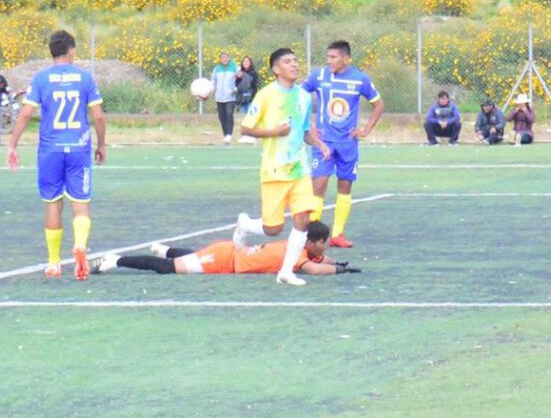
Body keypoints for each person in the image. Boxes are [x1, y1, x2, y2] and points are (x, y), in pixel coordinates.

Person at [6, 30, 106, 280]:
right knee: (80, 203)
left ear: (51, 52)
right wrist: (101, 145)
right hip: (78, 148)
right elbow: (98, 116)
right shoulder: (84, 78)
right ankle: (80, 246)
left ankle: (54, 263)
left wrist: (12, 145)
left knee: (53, 203)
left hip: (50, 149)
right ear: (72, 50)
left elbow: (26, 114)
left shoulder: (41, 79)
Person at [233, 47, 332, 286]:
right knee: (273, 229)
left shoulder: (304, 97)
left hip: (300, 170)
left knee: (303, 219)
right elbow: (246, 128)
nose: (294, 65)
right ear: (276, 69)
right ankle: (245, 224)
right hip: (274, 171)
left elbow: (304, 130)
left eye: (295, 61)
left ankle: (286, 272)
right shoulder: (266, 95)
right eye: (287, 62)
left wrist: (320, 145)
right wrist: (274, 132)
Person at [302, 40, 384, 248]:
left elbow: (378, 104)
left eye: (334, 57)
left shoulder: (360, 79)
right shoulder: (318, 76)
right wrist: (308, 126)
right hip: (323, 143)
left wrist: (365, 130)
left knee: (345, 186)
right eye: (328, 57)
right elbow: (298, 96)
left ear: (346, 58)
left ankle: (337, 234)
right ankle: (311, 237)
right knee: (318, 186)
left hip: (348, 144)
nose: (329, 61)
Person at [92, 221, 361, 277]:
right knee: (168, 270)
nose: (325, 246)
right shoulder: (300, 256)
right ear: (311, 242)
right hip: (225, 260)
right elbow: (314, 269)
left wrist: (335, 262)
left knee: (191, 258)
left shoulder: (298, 247)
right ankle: (115, 260)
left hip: (228, 254)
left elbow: (319, 260)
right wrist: (339, 270)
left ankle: (166, 249)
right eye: (323, 242)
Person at [211, 52, 237, 144]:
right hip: (219, 97)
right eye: (222, 58)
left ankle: (229, 134)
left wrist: (236, 88)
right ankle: (225, 134)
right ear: (220, 59)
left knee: (229, 114)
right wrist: (212, 88)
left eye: (226, 57)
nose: (224, 59)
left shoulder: (235, 68)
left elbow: (239, 80)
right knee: (222, 117)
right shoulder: (217, 69)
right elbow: (213, 80)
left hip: (230, 97)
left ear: (229, 58)